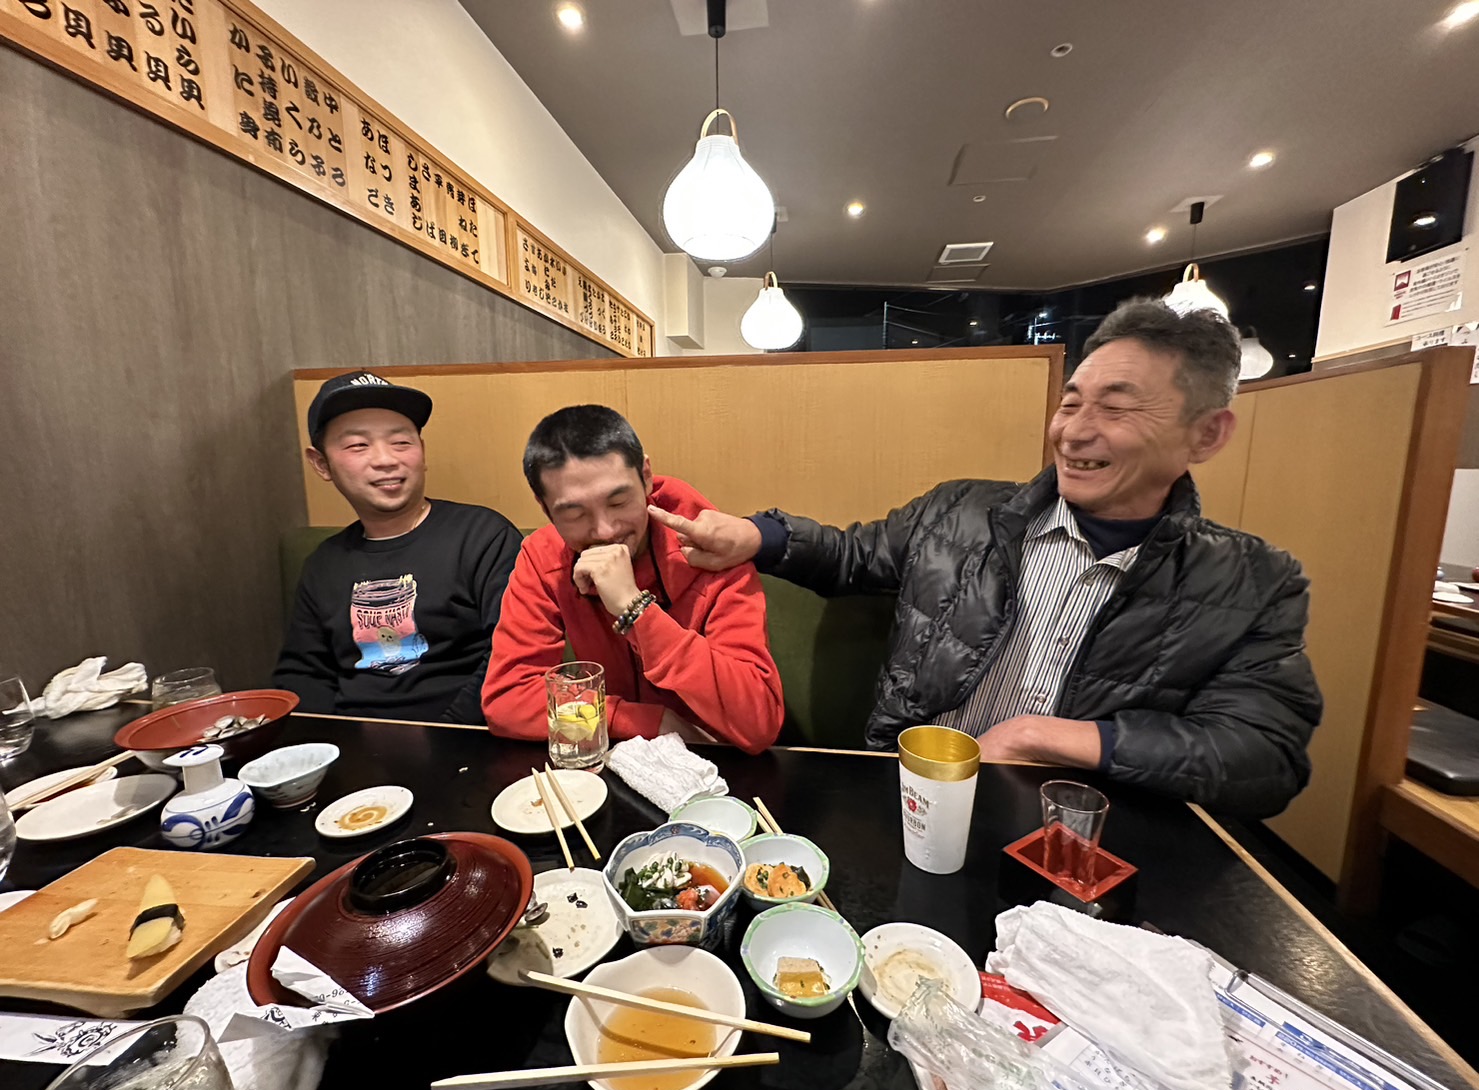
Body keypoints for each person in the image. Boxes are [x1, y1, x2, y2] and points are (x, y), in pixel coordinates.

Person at [647, 300, 1323, 817]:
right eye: (1070, 403)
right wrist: (757, 536)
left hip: (1079, 835)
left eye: (1116, 410)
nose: (1074, 431)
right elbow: (853, 554)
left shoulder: (1254, 583)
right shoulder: (960, 512)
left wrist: (1049, 737)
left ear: (1206, 434)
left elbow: (1265, 758)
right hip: (909, 801)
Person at [481, 405, 783, 754]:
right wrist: (643, 722)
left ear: (646, 476)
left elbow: (759, 722)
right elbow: (507, 700)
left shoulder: (712, 547)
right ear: (544, 507)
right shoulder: (543, 557)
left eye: (618, 502)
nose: (605, 531)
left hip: (721, 761)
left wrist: (635, 609)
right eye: (575, 513)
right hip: (621, 759)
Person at [273, 372, 521, 724]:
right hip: (352, 745)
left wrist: (444, 738)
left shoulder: (483, 536)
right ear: (321, 464)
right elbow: (303, 675)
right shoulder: (323, 564)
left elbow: (512, 655)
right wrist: (332, 744)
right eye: (358, 445)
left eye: (401, 442)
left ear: (422, 452)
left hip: (467, 737)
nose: (386, 459)